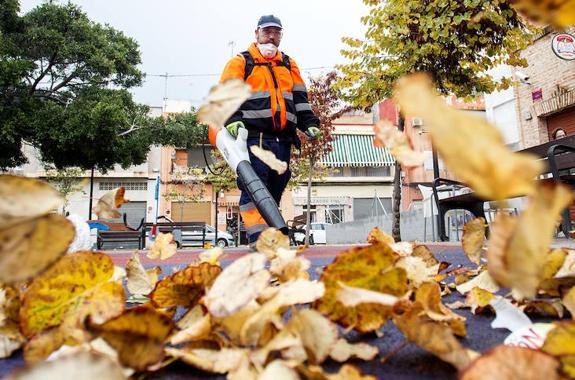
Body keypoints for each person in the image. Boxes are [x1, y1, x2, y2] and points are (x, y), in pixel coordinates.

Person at [219, 14, 320, 245]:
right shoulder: (241, 62)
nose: (271, 37)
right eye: (267, 32)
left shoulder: (288, 63)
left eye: (276, 32)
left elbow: (300, 99)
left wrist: (309, 123)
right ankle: (258, 237)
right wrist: (232, 118)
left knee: (275, 187)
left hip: (282, 141)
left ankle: (270, 236)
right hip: (254, 139)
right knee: (254, 187)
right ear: (257, 33)